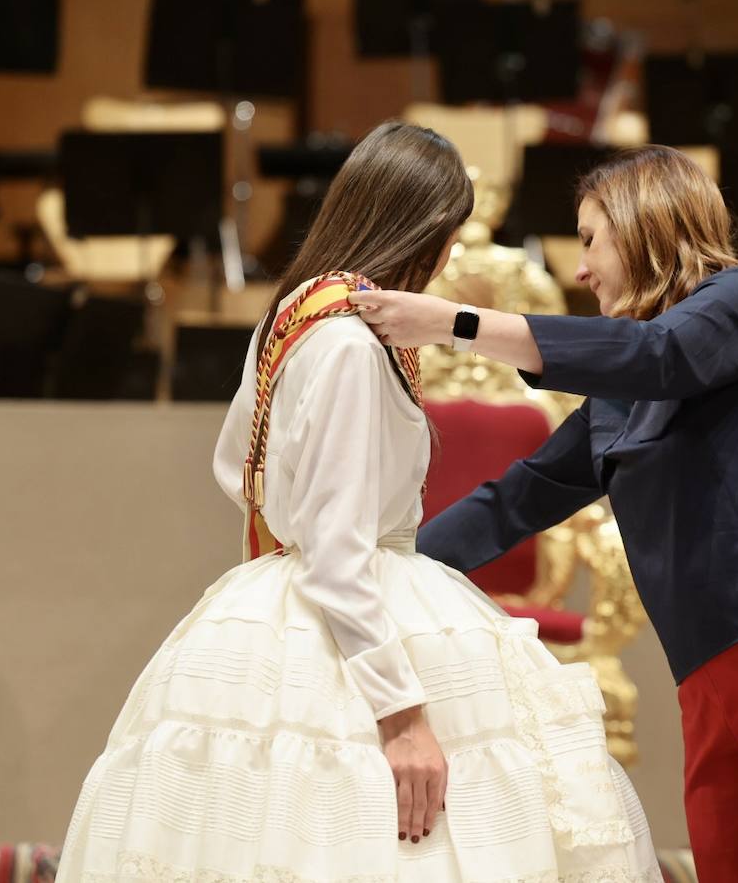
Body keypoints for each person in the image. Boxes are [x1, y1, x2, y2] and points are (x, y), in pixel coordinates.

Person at [54, 122, 659, 883]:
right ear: (423, 230)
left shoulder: (295, 313)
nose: (446, 260)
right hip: (356, 599)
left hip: (273, 597)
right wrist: (402, 716)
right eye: (449, 236)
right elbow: (339, 551)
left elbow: (237, 465)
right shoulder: (350, 341)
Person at [349, 144, 738, 883]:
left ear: (644, 223)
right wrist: (382, 570)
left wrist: (456, 322)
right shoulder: (624, 391)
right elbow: (518, 498)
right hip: (707, 682)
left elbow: (657, 353)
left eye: (589, 240)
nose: (580, 270)